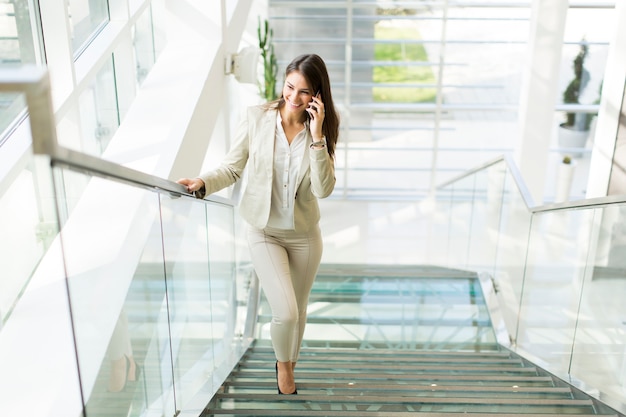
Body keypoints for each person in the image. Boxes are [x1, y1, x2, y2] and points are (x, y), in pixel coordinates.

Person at [177, 53, 339, 395]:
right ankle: (283, 365)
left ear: (318, 95)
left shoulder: (321, 131)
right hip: (263, 231)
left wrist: (317, 135)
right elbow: (233, 167)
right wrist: (203, 182)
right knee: (287, 312)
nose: (294, 98)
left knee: (300, 305)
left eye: (304, 92)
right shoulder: (257, 118)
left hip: (305, 236)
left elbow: (323, 189)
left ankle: (290, 358)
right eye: (290, 86)